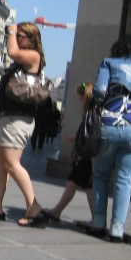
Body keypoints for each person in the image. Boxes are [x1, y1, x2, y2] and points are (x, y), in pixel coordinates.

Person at [0, 22, 48, 226]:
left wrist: (10, 31)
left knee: (11, 163)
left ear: (31, 38)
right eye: (16, 35)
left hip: (18, 118)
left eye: (21, 35)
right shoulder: (20, 62)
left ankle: (34, 207)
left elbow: (12, 51)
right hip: (6, 116)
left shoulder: (34, 56)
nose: (17, 38)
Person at [87, 38, 131, 242]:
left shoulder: (109, 63)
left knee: (100, 176)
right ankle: (117, 230)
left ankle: (98, 223)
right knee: (125, 180)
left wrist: (99, 104)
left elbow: (99, 91)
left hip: (109, 124)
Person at [42, 83, 94, 223]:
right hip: (84, 155)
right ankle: (57, 211)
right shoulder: (91, 114)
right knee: (74, 183)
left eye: (80, 99)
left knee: (87, 185)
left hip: (85, 156)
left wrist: (77, 143)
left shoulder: (91, 114)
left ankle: (97, 218)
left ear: (86, 98)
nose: (79, 102)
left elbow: (89, 136)